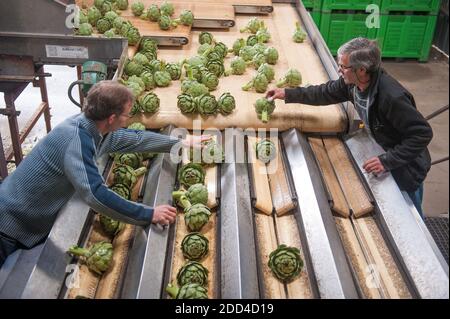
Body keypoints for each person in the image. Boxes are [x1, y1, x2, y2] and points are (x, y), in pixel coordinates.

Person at [0, 80, 208, 267]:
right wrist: (148, 213)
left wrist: (180, 142)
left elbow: (132, 139)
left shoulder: (90, 127)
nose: (127, 120)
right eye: (126, 114)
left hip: (22, 218)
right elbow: (95, 193)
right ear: (111, 118)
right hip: (9, 224)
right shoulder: (76, 140)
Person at [267, 37, 433, 218]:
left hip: (407, 166)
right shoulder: (353, 84)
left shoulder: (391, 96)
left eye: (343, 67)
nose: (339, 70)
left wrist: (387, 160)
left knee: (410, 212)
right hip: (385, 147)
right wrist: (286, 93)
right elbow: (324, 92)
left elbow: (422, 134)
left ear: (361, 70)